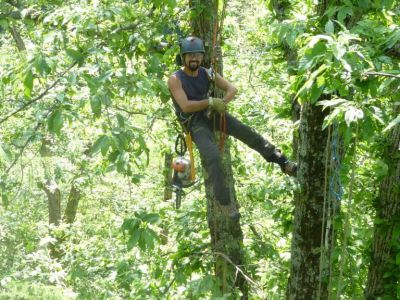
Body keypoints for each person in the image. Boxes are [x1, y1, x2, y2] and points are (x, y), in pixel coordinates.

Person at [168, 36, 297, 218]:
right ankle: (225, 203)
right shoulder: (175, 79)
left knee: (247, 133)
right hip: (194, 122)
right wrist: (211, 101)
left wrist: (221, 103)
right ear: (183, 57)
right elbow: (186, 106)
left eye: (197, 55)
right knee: (213, 157)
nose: (194, 59)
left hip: (211, 113)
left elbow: (232, 89)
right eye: (190, 56)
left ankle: (282, 162)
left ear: (202, 56)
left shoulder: (207, 73)